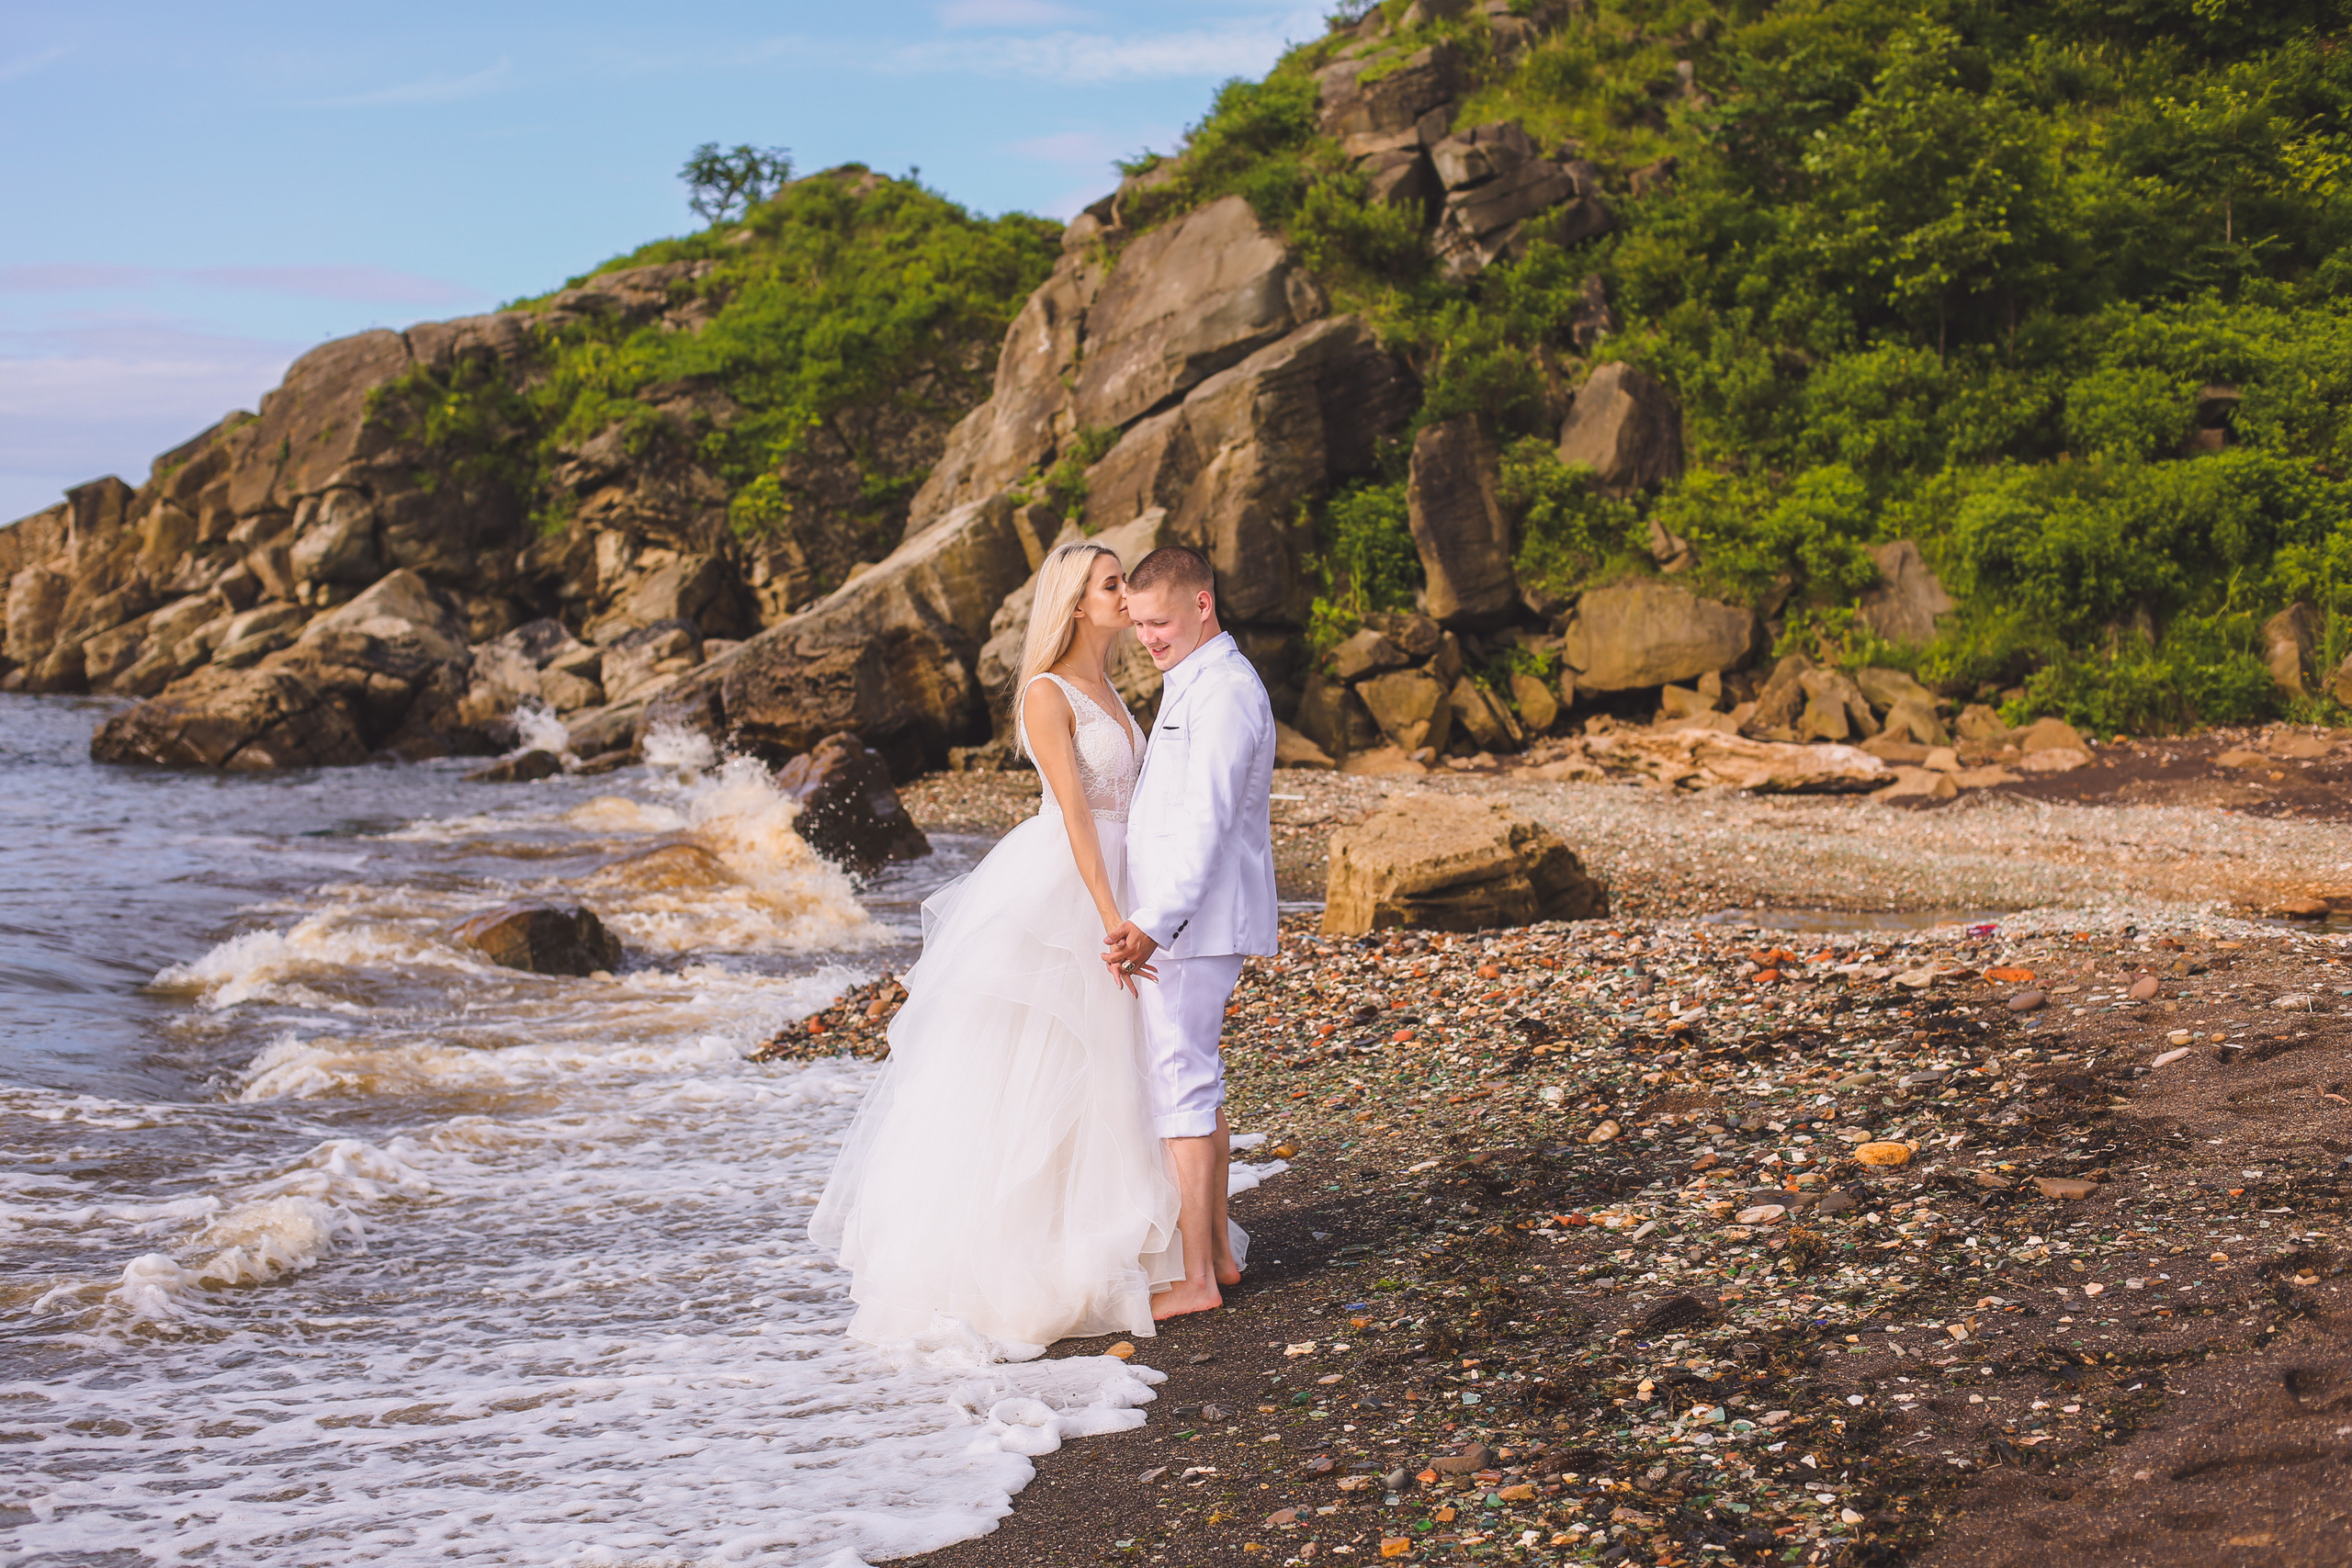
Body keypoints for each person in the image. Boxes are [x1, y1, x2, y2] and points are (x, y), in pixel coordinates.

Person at [808, 541, 1182, 1356]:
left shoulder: (1113, 688)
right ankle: (1023, 1253)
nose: (1127, 594)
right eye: (1112, 584)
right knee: (1046, 1059)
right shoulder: (1049, 694)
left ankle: (1113, 1233)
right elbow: (1078, 816)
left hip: (1120, 878)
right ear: (1076, 604)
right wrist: (1113, 911)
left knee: (1118, 1060)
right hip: (1070, 886)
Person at [1102, 545, 1278, 1321]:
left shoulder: (1227, 692)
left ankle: (1198, 1277)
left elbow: (1204, 823)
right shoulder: (1194, 680)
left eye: (1160, 621)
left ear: (1203, 604)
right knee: (1194, 1084)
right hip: (1190, 919)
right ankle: (1219, 1259)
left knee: (1181, 1088)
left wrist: (1150, 923)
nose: (1147, 637)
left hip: (1192, 922)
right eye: (1138, 623)